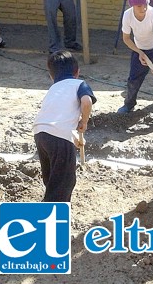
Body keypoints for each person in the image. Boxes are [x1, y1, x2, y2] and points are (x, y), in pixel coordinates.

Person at [33, 51, 96, 202]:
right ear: (77, 72)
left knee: (52, 178)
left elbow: (57, 119)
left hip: (40, 132)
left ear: (51, 76)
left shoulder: (53, 89)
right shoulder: (79, 84)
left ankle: (50, 206)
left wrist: (72, 138)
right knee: (64, 182)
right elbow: (86, 102)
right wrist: (85, 121)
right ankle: (50, 216)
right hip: (58, 136)